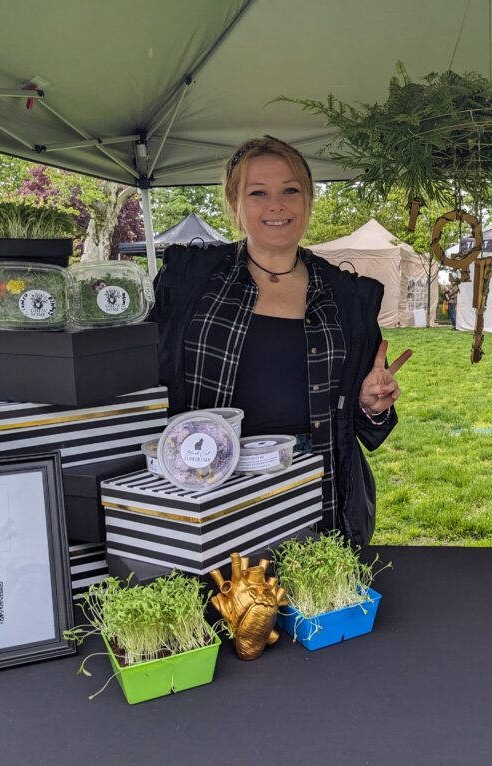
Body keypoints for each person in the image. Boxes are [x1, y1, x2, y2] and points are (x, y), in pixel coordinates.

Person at [150, 136, 411, 545]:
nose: (277, 205)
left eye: (291, 190)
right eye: (258, 193)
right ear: (235, 205)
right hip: (208, 472)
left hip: (313, 475)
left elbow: (360, 420)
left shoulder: (346, 296)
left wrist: (369, 404)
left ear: (307, 200)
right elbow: (150, 374)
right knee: (219, 600)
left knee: (310, 597)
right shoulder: (191, 282)